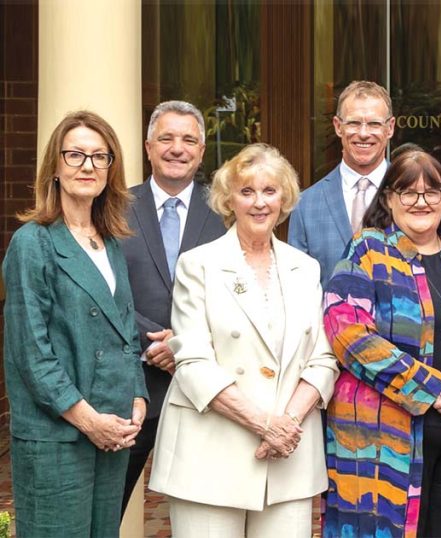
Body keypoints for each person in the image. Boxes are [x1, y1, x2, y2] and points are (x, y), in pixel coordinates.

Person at [322, 150, 441, 538]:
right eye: (407, 192)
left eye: (432, 192)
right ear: (389, 199)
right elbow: (347, 332)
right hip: (384, 444)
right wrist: (435, 389)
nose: (421, 202)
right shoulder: (368, 250)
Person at [148, 143, 339, 537]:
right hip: (210, 456)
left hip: (288, 456)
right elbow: (193, 362)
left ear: (284, 198)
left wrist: (285, 425)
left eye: (269, 191)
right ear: (227, 199)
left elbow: (322, 359)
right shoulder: (198, 264)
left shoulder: (305, 268)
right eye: (246, 191)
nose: (259, 203)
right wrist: (263, 425)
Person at [3, 110, 146, 536]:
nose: (87, 166)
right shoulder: (33, 242)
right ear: (55, 167)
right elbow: (32, 353)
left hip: (112, 430)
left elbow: (126, 333)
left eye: (100, 157)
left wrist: (137, 397)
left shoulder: (109, 241)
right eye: (75, 155)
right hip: (58, 436)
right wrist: (88, 420)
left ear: (110, 169)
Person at [120, 100, 227, 516]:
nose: (177, 148)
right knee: (110, 504)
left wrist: (181, 344)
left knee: (206, 512)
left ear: (202, 151)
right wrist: (152, 342)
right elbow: (105, 290)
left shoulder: (225, 210)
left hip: (201, 387)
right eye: (166, 138)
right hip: (132, 384)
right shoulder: (114, 206)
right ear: (148, 146)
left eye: (188, 140)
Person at [289, 80, 395, 286]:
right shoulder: (306, 205)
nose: (363, 133)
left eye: (374, 123)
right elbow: (297, 288)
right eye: (354, 123)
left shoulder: (411, 195)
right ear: (338, 126)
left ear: (390, 128)